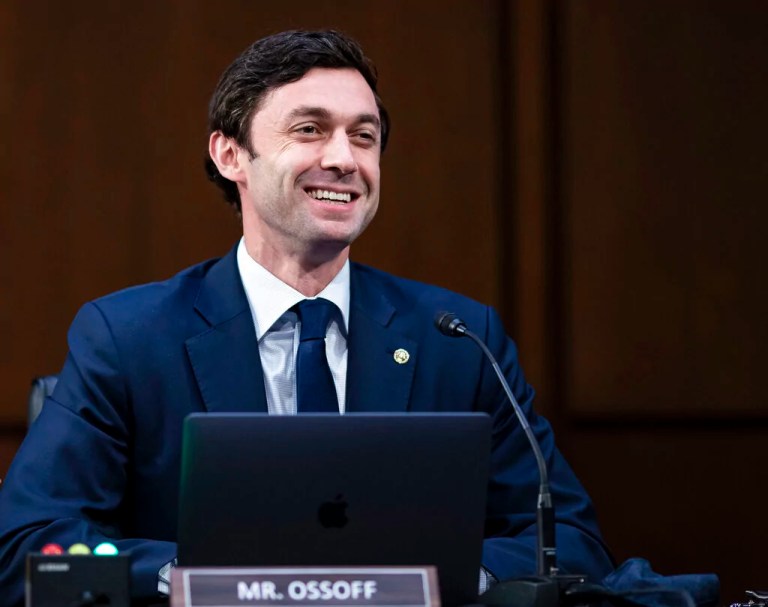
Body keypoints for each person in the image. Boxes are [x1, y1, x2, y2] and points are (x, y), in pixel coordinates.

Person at [0, 30, 614, 605]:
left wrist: (435, 582)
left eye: (364, 136)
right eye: (310, 130)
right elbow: (31, 545)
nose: (344, 159)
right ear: (230, 154)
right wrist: (210, 581)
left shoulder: (456, 339)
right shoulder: (128, 339)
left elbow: (571, 543)